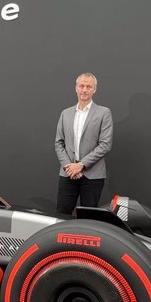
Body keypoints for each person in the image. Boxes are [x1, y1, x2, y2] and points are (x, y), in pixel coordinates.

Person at [55, 72, 113, 215]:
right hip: (68, 174)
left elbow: (105, 144)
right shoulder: (65, 113)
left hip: (92, 176)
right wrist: (70, 167)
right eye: (82, 86)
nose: (85, 90)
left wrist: (80, 165)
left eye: (89, 86)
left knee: (88, 219)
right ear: (76, 88)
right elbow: (59, 143)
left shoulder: (104, 113)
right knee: (62, 216)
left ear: (94, 89)